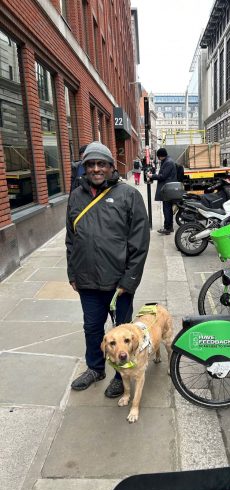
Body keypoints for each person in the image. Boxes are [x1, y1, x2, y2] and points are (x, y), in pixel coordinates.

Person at [66, 141, 150, 397]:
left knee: (123, 333)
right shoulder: (76, 195)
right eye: (90, 164)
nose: (96, 169)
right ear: (85, 168)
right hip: (87, 281)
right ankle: (95, 368)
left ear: (111, 167)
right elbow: (71, 238)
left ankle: (120, 373)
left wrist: (130, 279)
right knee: (92, 328)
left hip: (118, 284)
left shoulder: (128, 195)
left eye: (101, 164)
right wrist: (72, 273)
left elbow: (140, 242)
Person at [148, 147, 177, 235]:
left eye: (159, 157)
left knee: (167, 209)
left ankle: (167, 228)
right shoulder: (167, 161)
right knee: (168, 209)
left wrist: (152, 176)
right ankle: (170, 227)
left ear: (161, 156)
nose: (158, 159)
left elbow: (163, 176)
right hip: (168, 188)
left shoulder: (168, 162)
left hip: (167, 189)